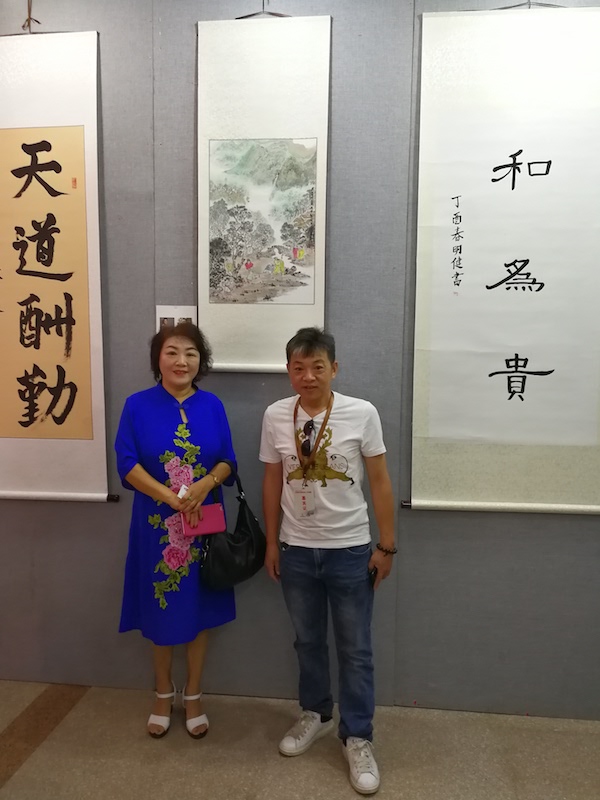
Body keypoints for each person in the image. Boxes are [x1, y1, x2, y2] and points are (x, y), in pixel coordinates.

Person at [260, 327, 396, 796]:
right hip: (296, 549)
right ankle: (316, 714)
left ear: (334, 369)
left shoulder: (362, 413)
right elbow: (271, 480)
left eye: (318, 366)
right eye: (299, 367)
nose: (308, 376)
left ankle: (358, 735)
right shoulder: (276, 415)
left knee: (355, 648)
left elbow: (379, 481)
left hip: (351, 549)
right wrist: (272, 543)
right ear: (288, 371)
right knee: (308, 641)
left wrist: (387, 546)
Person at [115, 322, 237, 739]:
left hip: (204, 525)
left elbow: (228, 461)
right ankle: (163, 693)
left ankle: (195, 693)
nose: (181, 361)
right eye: (172, 352)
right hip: (157, 528)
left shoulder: (213, 405)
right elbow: (126, 464)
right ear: (158, 359)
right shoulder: (136, 405)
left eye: (190, 353)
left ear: (201, 361)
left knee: (199, 611)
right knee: (161, 607)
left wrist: (205, 485)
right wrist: (170, 497)